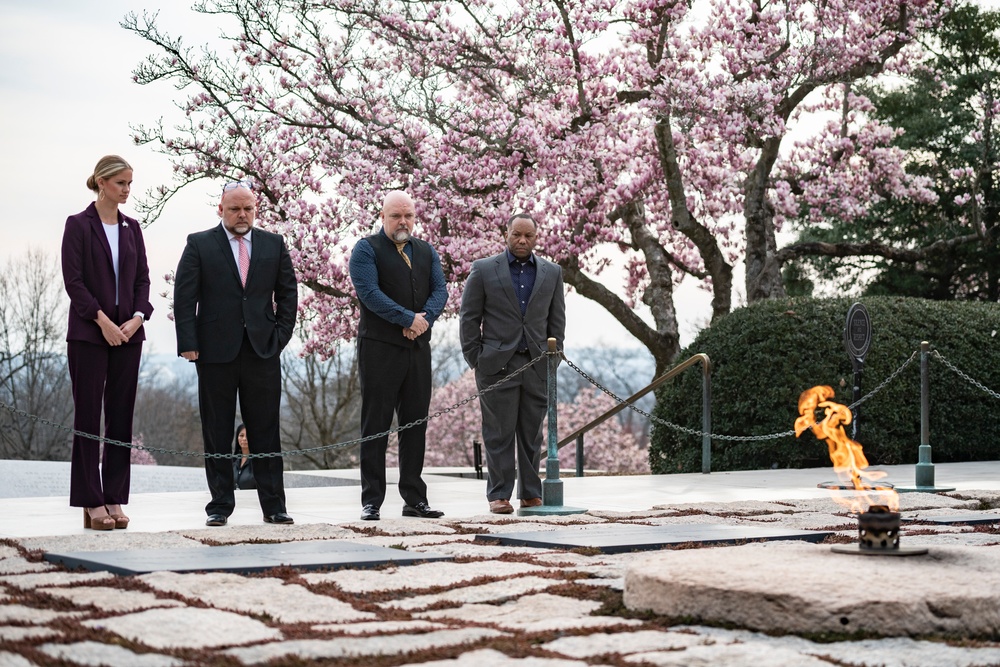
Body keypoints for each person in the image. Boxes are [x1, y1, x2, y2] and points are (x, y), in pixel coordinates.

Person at [173, 180, 297, 527]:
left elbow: (288, 294)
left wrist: (280, 338)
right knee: (217, 428)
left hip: (262, 351)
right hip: (214, 352)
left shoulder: (274, 244)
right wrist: (188, 343)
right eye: (235, 209)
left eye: (248, 209)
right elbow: (184, 298)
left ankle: (274, 506)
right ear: (221, 209)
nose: (242, 215)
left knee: (266, 429)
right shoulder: (199, 244)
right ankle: (219, 505)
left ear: (256, 209)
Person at [61, 155, 153, 530]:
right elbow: (74, 282)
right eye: (121, 184)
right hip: (88, 334)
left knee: (120, 417)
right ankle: (90, 501)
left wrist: (135, 319)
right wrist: (102, 321)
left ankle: (114, 496)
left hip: (129, 336)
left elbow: (143, 281)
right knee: (87, 418)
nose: (127, 190)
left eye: (130, 183)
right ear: (102, 183)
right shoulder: (77, 225)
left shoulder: (132, 228)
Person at [348, 190, 448, 521]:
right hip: (379, 350)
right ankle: (371, 499)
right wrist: (408, 318)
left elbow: (440, 291)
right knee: (376, 424)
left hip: (417, 349)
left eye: (408, 216)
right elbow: (369, 294)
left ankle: (414, 499)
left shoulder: (426, 251)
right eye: (395, 216)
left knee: (415, 424)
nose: (403, 221)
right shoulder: (366, 250)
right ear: (383, 217)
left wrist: (423, 322)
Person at [459, 213, 566, 514]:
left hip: (536, 365)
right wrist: (476, 360)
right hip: (495, 366)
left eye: (528, 236)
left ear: (536, 237)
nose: (522, 240)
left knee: (533, 434)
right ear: (506, 234)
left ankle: (531, 493)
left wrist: (551, 362)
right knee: (498, 433)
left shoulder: (552, 272)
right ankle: (499, 494)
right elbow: (469, 318)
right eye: (516, 234)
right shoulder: (483, 270)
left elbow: (557, 323)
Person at [232, 424, 256, 490]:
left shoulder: (258, 461)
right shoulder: (233, 460)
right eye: (241, 435)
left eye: (248, 436)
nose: (244, 439)